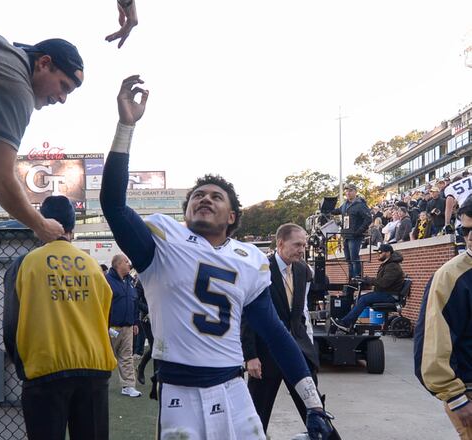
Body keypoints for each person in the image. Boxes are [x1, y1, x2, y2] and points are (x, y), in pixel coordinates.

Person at [99, 75, 334, 440]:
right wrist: (126, 125)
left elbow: (275, 332)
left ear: (232, 217)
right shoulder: (163, 241)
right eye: (197, 195)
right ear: (186, 209)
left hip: (234, 388)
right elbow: (113, 204)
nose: (204, 198)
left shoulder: (249, 259)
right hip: (179, 390)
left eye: (215, 196)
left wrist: (313, 403)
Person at [3, 195, 117, 440]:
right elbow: (104, 317)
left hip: (46, 367)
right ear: (72, 229)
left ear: (39, 225)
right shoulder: (93, 266)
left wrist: (21, 362)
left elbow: (11, 323)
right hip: (94, 368)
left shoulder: (25, 264)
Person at [0, 24, 84, 242]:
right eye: (64, 86)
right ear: (44, 63)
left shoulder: (7, 58)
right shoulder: (17, 87)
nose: (62, 98)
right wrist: (41, 224)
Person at [242, 224, 342, 439]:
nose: (302, 249)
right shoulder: (260, 269)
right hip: (266, 355)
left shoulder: (303, 270)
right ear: (280, 243)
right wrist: (250, 355)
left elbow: (301, 312)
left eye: (304, 245)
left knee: (317, 413)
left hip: (298, 352)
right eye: (297, 244)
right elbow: (247, 317)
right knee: (256, 417)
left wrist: (308, 347)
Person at [415, 197, 472, 439]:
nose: (470, 237)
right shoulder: (449, 276)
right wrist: (456, 398)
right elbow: (432, 344)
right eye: (466, 229)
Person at [331, 243, 405, 333]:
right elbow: (381, 282)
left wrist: (367, 279)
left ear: (388, 253)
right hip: (385, 293)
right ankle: (348, 323)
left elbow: (384, 283)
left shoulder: (392, 266)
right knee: (361, 298)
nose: (379, 254)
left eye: (380, 252)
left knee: (363, 299)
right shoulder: (388, 265)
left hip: (390, 295)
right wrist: (365, 280)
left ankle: (345, 323)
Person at [106, 253, 142, 397]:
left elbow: (134, 303)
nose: (129, 264)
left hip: (127, 327)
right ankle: (99, 385)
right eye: (126, 261)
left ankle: (128, 386)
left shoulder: (130, 282)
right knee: (106, 357)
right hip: (111, 327)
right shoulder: (107, 281)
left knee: (127, 356)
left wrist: (135, 322)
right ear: (118, 264)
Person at [332, 183, 372, 280]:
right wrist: (326, 209)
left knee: (354, 258)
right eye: (346, 191)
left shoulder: (360, 204)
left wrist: (359, 231)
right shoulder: (345, 205)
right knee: (348, 259)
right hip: (346, 235)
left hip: (355, 236)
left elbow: (368, 219)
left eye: (350, 191)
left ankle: (357, 278)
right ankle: (351, 278)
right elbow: (337, 211)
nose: (348, 193)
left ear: (355, 192)